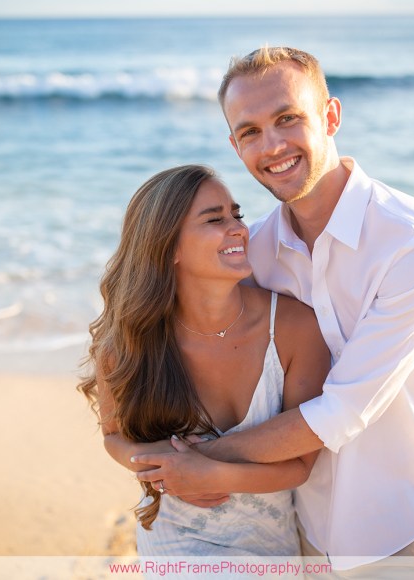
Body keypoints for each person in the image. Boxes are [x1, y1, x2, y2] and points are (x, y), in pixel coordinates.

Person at [132, 47, 414, 578]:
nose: (272, 146)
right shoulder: (255, 252)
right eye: (250, 132)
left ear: (331, 116)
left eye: (288, 119)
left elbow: (342, 410)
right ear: (235, 145)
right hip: (299, 528)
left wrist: (205, 462)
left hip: (400, 527)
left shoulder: (412, 244)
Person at [78, 164, 330, 558]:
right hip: (172, 538)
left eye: (237, 214)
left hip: (267, 545)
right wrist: (162, 471)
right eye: (215, 219)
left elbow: (299, 464)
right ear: (170, 248)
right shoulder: (130, 336)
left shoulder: (295, 327)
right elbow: (114, 436)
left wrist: (211, 474)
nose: (238, 229)